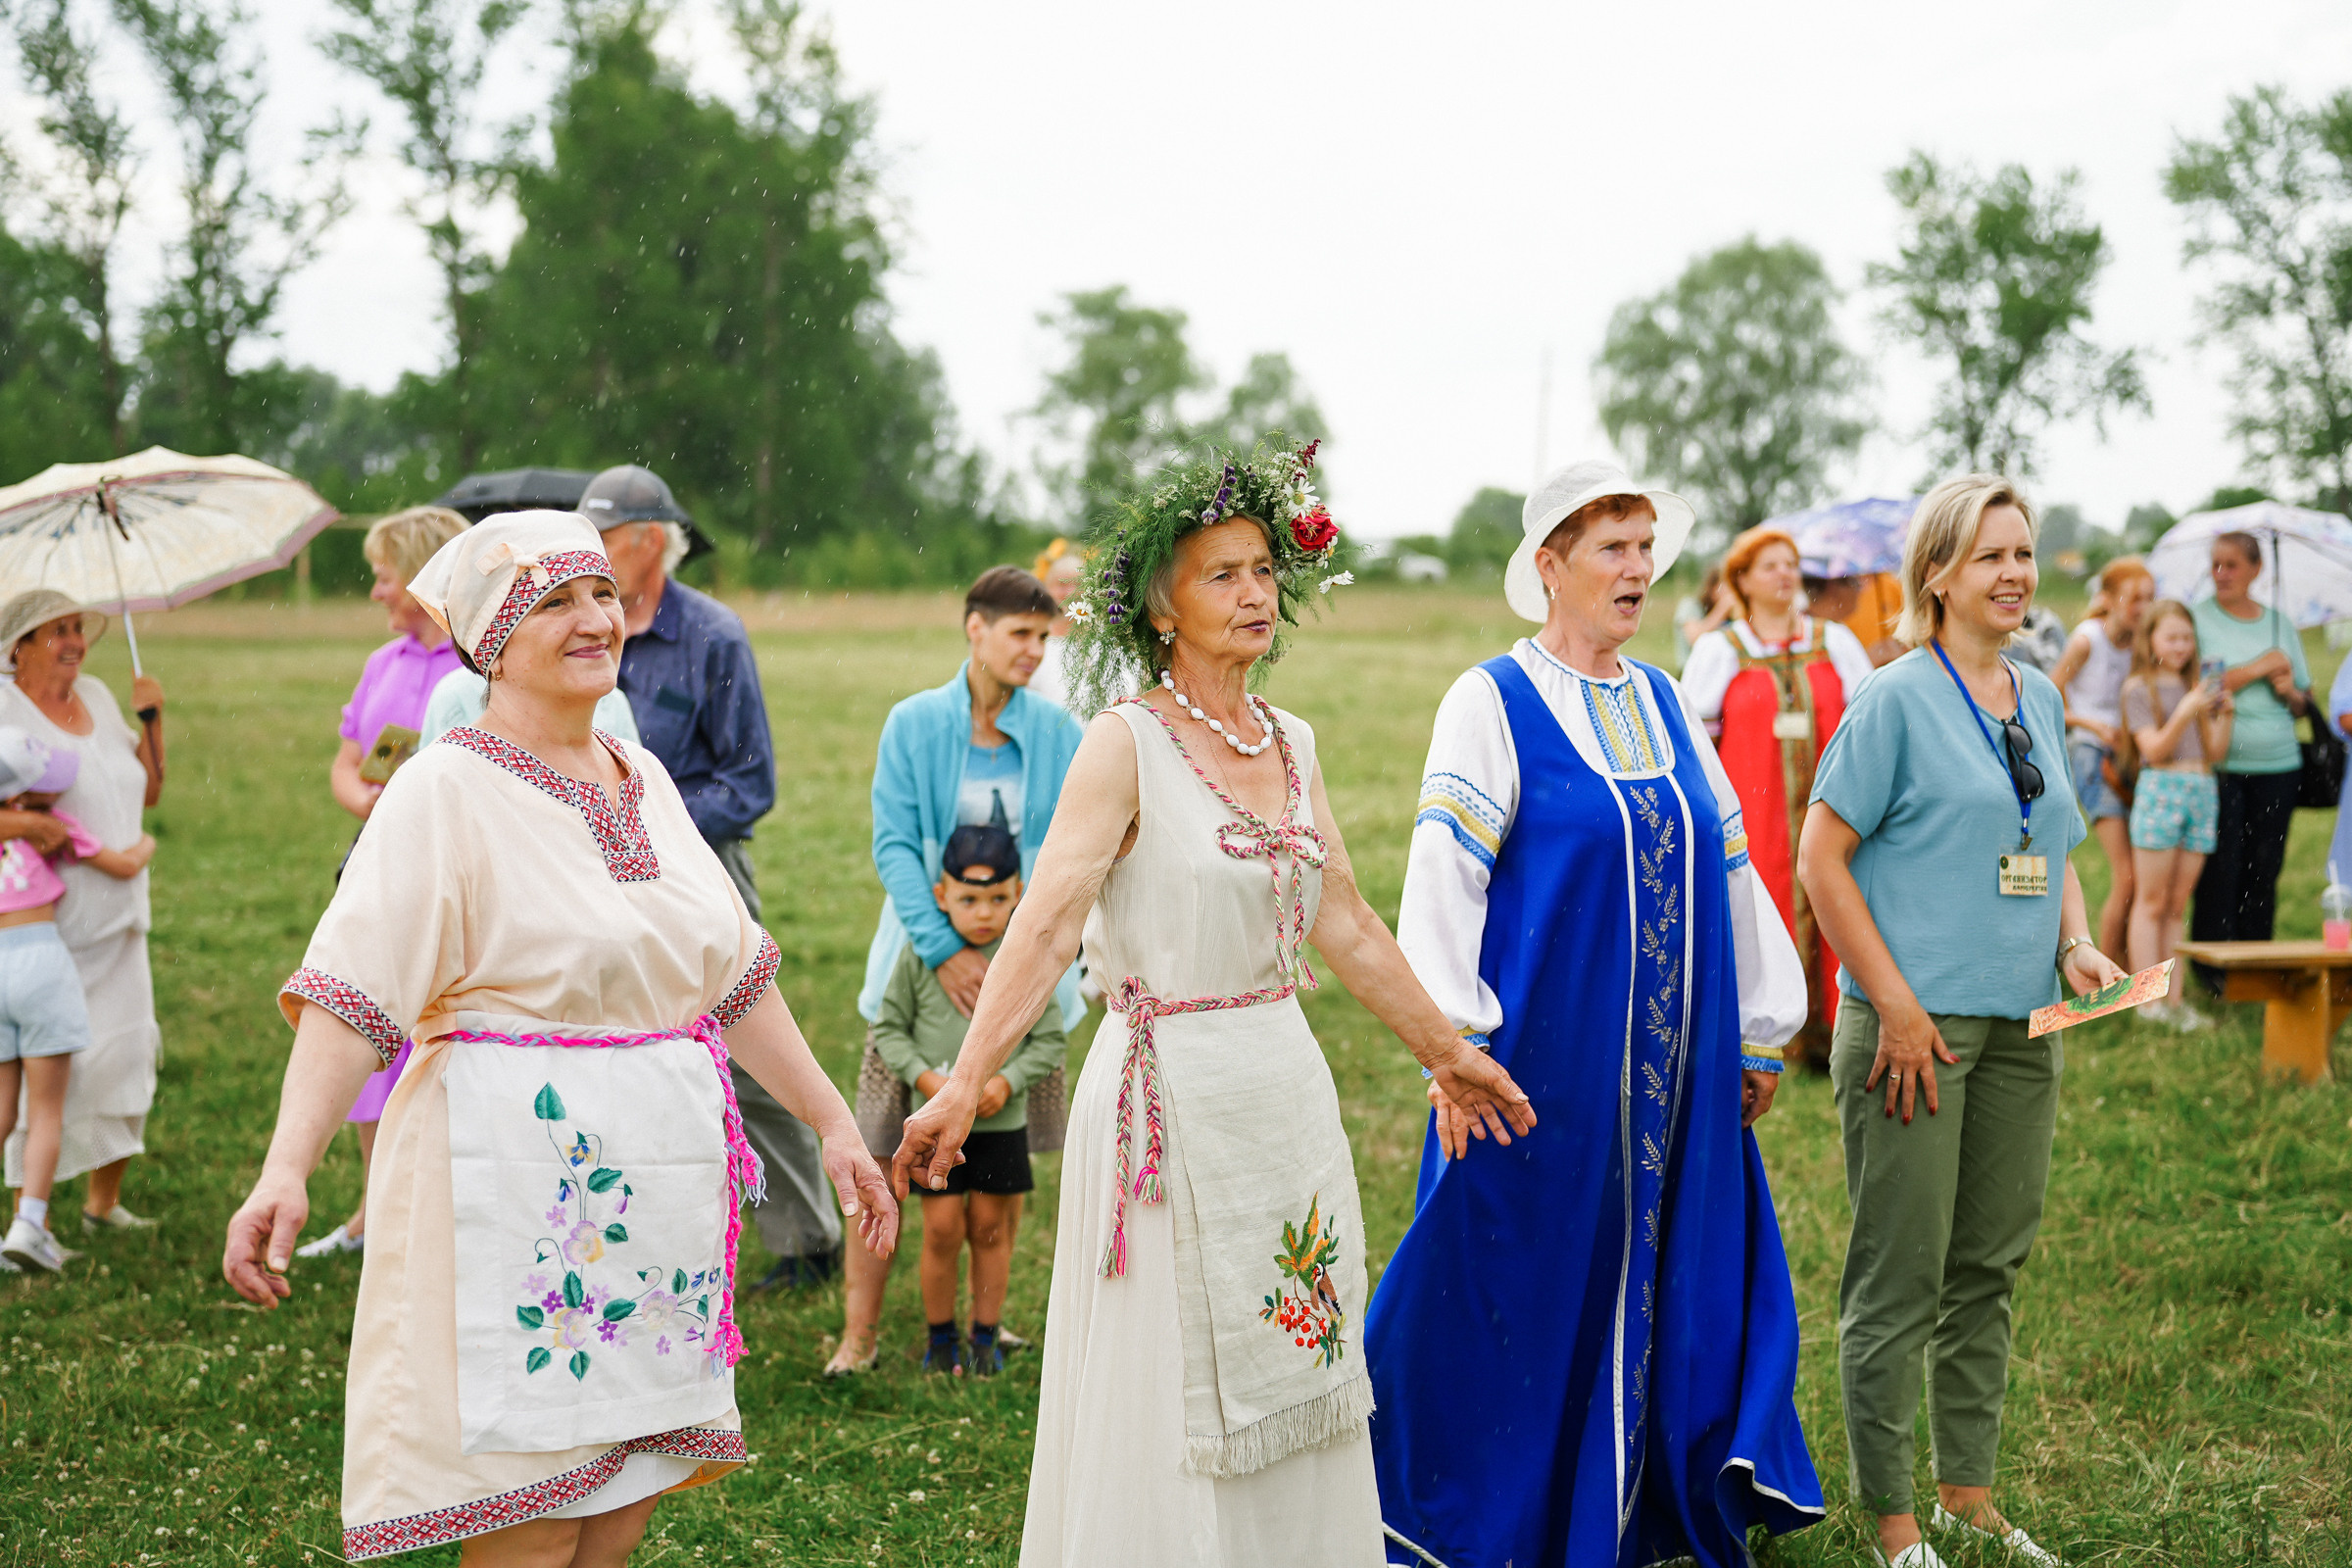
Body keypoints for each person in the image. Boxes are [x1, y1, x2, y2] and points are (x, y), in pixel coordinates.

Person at [890, 439, 1533, 1567]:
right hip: (1163, 1096)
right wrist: (959, 1086)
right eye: (1221, 574)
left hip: (1281, 1086)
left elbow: (1346, 922)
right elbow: (1043, 925)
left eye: (1262, 570)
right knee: (1175, 1372)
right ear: (1163, 608)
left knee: (1300, 1354)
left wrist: (1447, 1051)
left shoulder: (1294, 743)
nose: (1254, 592)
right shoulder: (1122, 744)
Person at [220, 512, 900, 1564]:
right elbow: (353, 993)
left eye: (601, 595)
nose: (597, 619)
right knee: (536, 1517)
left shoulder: (648, 779)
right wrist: (286, 1168)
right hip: (516, 1193)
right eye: (555, 602)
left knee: (620, 1511)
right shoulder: (443, 788)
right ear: (491, 639)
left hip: (656, 1190)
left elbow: (733, 978)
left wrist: (832, 1123)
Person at [1369, 462, 1822, 1568]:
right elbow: (1445, 878)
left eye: (1644, 546)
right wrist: (1454, 1046)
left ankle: (1632, 1505)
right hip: (1536, 1076)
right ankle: (1473, 1508)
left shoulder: (1663, 699)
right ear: (1549, 566)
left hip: (1672, 1076)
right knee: (1511, 1291)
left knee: (1662, 1280)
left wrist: (1762, 1022)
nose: (1637, 568)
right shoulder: (1492, 700)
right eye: (1612, 546)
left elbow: (1729, 860)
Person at [1797, 473, 2126, 1568]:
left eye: (2024, 553)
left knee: (1989, 1264)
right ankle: (1893, 1523)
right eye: (1991, 556)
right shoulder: (1893, 698)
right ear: (1936, 574)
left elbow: (2056, 844)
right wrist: (1890, 1002)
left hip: (2023, 1025)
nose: (2015, 575)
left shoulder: (2038, 693)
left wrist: (2075, 938)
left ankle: (1966, 1497)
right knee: (1902, 1276)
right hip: (1914, 1032)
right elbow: (1820, 860)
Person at [577, 464, 836, 1294]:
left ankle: (808, 1240)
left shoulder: (713, 635)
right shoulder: (584, 627)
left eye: (604, 537)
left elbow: (750, 781)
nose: (590, 556)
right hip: (588, 872)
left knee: (750, 1056)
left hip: (704, 868)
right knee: (626, 1052)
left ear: (652, 541)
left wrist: (648, 819)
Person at [831, 565, 1084, 1377]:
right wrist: (943, 950)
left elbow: (1067, 850)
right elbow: (894, 845)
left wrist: (1018, 956)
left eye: (1044, 637)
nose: (1034, 651)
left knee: (1002, 1178)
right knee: (882, 1159)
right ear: (975, 629)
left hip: (1027, 970)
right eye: (1020, 634)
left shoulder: (1059, 731)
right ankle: (859, 1334)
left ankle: (983, 1324)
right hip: (922, 960)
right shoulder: (914, 725)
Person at [299, 506, 469, 1259]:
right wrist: (366, 796)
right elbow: (345, 762)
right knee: (368, 1026)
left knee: (437, 1033)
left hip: (452, 871)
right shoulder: (382, 664)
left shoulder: (476, 667)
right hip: (377, 860)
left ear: (427, 579)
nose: (375, 594)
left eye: (385, 577)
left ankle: (435, 1211)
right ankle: (373, 1215)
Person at [871, 822, 1065, 1378]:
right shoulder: (917, 958)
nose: (984, 913)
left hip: (1001, 1125)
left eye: (998, 899)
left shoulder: (1024, 959)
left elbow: (1048, 1039)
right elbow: (890, 1030)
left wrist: (1005, 1082)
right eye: (969, 899)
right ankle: (940, 1340)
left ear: (1018, 894)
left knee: (989, 1227)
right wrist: (930, 1085)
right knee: (942, 1229)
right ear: (942, 896)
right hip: (935, 1130)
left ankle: (985, 1335)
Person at [0, 591, 165, 1232]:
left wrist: (152, 722)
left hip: (123, 913)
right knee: (45, 1067)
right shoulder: (4, 704)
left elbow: (148, 789)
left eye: (78, 629)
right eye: (57, 631)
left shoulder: (96, 694)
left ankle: (102, 1203)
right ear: (19, 643)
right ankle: (27, 1213)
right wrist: (28, 827)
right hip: (47, 925)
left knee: (124, 1055)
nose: (74, 642)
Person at [1683, 524, 1875, 1068]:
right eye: (1770, 565)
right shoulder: (1721, 650)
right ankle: (1769, 1036)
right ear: (1740, 579)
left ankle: (1841, 1027)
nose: (1785, 574)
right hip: (1754, 813)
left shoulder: (1833, 641)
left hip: (1834, 805)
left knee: (1841, 896)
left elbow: (1870, 722)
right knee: (1761, 909)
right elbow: (1697, 741)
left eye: (1791, 563)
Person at [0, 730, 153, 1272]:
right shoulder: (54, 828)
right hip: (41, 963)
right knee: (45, 1109)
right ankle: (29, 1226)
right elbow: (123, 866)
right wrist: (146, 846)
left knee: (3, 1105)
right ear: (24, 798)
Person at [2188, 530, 2313, 992]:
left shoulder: (2281, 623)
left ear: (2257, 569)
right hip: (2220, 764)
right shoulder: (2199, 620)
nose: (2220, 574)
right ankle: (2213, 971)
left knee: (2265, 867)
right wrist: (2261, 667)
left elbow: (2304, 702)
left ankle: (2257, 965)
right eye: (2215, 564)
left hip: (2279, 764)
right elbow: (2205, 687)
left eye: (2231, 565)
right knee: (2222, 867)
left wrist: (2290, 692)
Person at [2121, 601, 2231, 1028]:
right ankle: (2146, 1003)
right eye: (2172, 637)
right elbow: (2153, 750)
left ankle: (2174, 1001)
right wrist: (2186, 709)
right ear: (2150, 641)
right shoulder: (2138, 689)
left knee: (2175, 905)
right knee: (2151, 902)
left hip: (2201, 791)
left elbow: (2216, 753)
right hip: (2161, 791)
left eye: (2187, 637)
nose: (2182, 646)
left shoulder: (2197, 688)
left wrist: (2224, 713)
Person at [2052, 557, 2155, 966]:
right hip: (2091, 756)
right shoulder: (2087, 640)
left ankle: (2130, 967)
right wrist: (2090, 724)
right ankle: (2107, 977)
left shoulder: (2140, 645)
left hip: (2129, 758)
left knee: (2141, 877)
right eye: (2135, 599)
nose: (2144, 608)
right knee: (2127, 876)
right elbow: (2049, 699)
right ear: (2109, 600)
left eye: (2150, 598)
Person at [1028, 538, 1086, 710]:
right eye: (1062, 584)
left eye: (1078, 584)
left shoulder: (1108, 641)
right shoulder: (1033, 642)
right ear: (1046, 589)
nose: (1070, 592)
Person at [1672, 561, 1731, 668]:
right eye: (1728, 585)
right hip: (1690, 674)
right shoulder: (1690, 605)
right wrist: (1723, 607)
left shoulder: (1734, 615)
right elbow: (1694, 637)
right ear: (1713, 587)